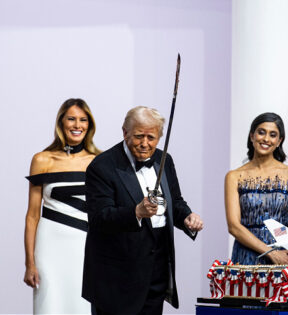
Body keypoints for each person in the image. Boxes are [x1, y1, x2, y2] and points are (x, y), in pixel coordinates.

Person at [82, 106, 203, 314]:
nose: (145, 144)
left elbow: (174, 201)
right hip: (116, 280)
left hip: (156, 273)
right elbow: (99, 218)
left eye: (151, 137)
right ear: (125, 132)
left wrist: (187, 217)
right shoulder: (102, 167)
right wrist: (136, 212)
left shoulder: (164, 160)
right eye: (139, 136)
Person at [24, 99, 101, 314]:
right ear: (61, 122)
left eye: (83, 120)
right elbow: (32, 216)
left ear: (89, 125)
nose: (77, 125)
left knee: (84, 307)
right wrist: (29, 263)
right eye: (72, 119)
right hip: (50, 246)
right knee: (49, 306)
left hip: (87, 245)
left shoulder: (100, 161)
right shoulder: (42, 159)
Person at [225, 112, 288, 265]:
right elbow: (234, 226)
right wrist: (270, 252)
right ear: (252, 136)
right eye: (261, 132)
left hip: (283, 255)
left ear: (279, 141)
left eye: (273, 135)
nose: (266, 139)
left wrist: (281, 251)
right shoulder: (234, 176)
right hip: (246, 256)